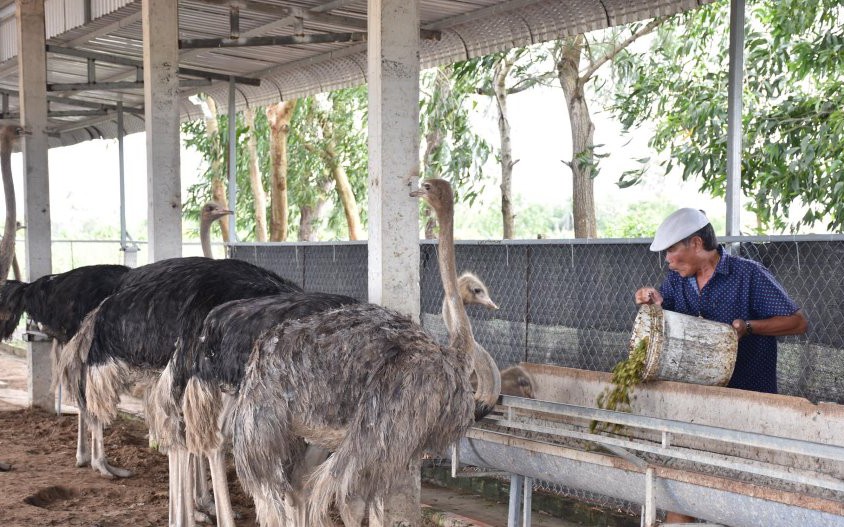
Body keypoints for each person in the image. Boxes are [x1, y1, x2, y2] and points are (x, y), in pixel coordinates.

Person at [634, 208, 808, 525]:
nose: (668, 260)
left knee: (738, 494)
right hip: (696, 405)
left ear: (697, 243)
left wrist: (748, 327)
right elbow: (662, 319)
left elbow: (797, 322)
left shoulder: (748, 275)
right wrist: (650, 299)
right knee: (685, 485)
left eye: (672, 250)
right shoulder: (676, 281)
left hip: (747, 402)